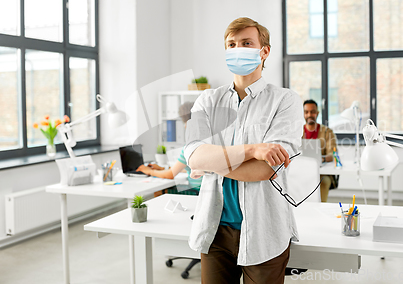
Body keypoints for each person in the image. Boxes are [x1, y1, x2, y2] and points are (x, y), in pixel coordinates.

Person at [183, 17, 303, 284]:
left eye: (247, 43)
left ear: (264, 51)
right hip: (214, 228)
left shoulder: (285, 101)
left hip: (264, 230)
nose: (237, 49)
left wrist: (212, 161)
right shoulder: (207, 100)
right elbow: (192, 154)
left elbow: (264, 170)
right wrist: (252, 150)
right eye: (231, 44)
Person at [136, 102, 200, 195]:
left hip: (197, 192)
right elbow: (187, 168)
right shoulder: (204, 142)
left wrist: (149, 171)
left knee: (159, 191)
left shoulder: (189, 147)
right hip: (204, 191)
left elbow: (170, 175)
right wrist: (162, 168)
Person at [302, 99, 339, 202]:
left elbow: (332, 154)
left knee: (324, 181)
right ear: (303, 114)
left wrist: (321, 158)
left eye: (313, 112)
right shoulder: (298, 132)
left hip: (321, 172)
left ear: (317, 113)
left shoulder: (327, 132)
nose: (310, 115)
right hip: (301, 170)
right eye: (306, 112)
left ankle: (320, 208)